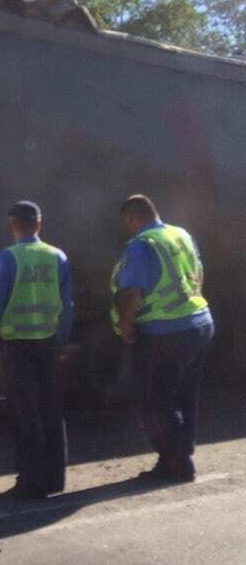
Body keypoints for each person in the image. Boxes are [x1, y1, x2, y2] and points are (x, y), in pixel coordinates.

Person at [111, 194, 214, 483]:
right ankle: (176, 457)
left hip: (165, 333)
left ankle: (178, 464)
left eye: (126, 223)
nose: (127, 229)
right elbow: (198, 273)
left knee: (154, 402)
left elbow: (131, 292)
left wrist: (125, 325)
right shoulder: (180, 234)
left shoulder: (142, 245)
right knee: (184, 395)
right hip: (200, 323)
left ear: (131, 218)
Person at [0, 201, 74, 500]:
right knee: (50, 408)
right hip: (47, 342)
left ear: (13, 226)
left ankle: (31, 482)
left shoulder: (7, 259)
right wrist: (62, 340)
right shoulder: (57, 256)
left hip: (17, 345)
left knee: (25, 412)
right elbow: (67, 304)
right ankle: (55, 479)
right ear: (39, 224)